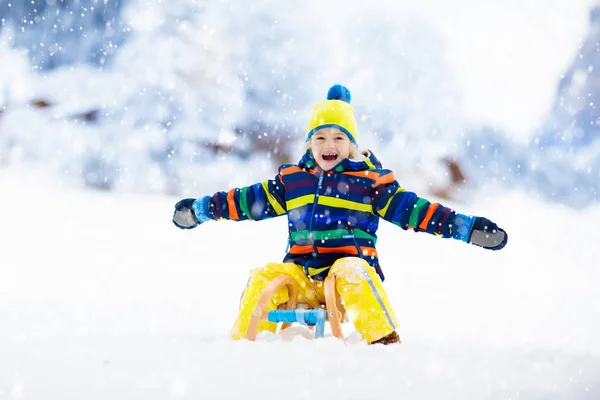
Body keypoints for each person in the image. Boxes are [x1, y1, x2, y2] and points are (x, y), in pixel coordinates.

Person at [172, 84, 508, 345]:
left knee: (349, 271)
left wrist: (466, 228)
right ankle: (246, 346)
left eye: (338, 136)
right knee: (265, 276)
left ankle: (383, 343)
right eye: (319, 136)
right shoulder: (292, 182)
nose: (328, 144)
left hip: (349, 285)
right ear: (309, 144)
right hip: (301, 280)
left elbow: (417, 211)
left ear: (351, 145)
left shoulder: (369, 183)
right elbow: (246, 201)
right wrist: (201, 210)